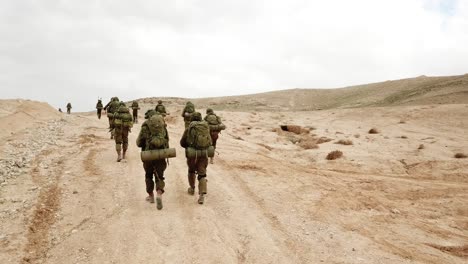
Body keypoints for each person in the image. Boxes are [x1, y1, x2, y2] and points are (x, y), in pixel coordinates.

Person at [136, 110, 169, 210]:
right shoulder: (163, 125)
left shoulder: (145, 126)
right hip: (160, 155)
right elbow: (167, 140)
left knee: (148, 176)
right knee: (160, 176)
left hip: (148, 156)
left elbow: (139, 143)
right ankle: (159, 193)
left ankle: (151, 196)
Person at [180, 112, 212, 204]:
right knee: (202, 174)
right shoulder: (205, 127)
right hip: (203, 154)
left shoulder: (189, 128)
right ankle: (202, 195)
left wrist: (189, 146)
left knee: (191, 170)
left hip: (192, 155)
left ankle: (192, 188)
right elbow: (209, 141)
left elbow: (182, 143)